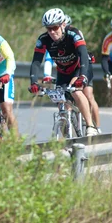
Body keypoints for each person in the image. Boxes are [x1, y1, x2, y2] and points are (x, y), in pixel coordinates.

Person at [29, 8, 100, 137]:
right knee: (62, 104)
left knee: (75, 91)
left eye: (55, 28)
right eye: (48, 28)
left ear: (62, 25)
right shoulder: (44, 39)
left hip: (80, 67)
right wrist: (34, 82)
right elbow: (36, 62)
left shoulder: (73, 33)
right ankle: (67, 135)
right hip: (63, 71)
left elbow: (83, 54)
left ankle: (90, 126)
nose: (51, 32)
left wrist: (83, 76)